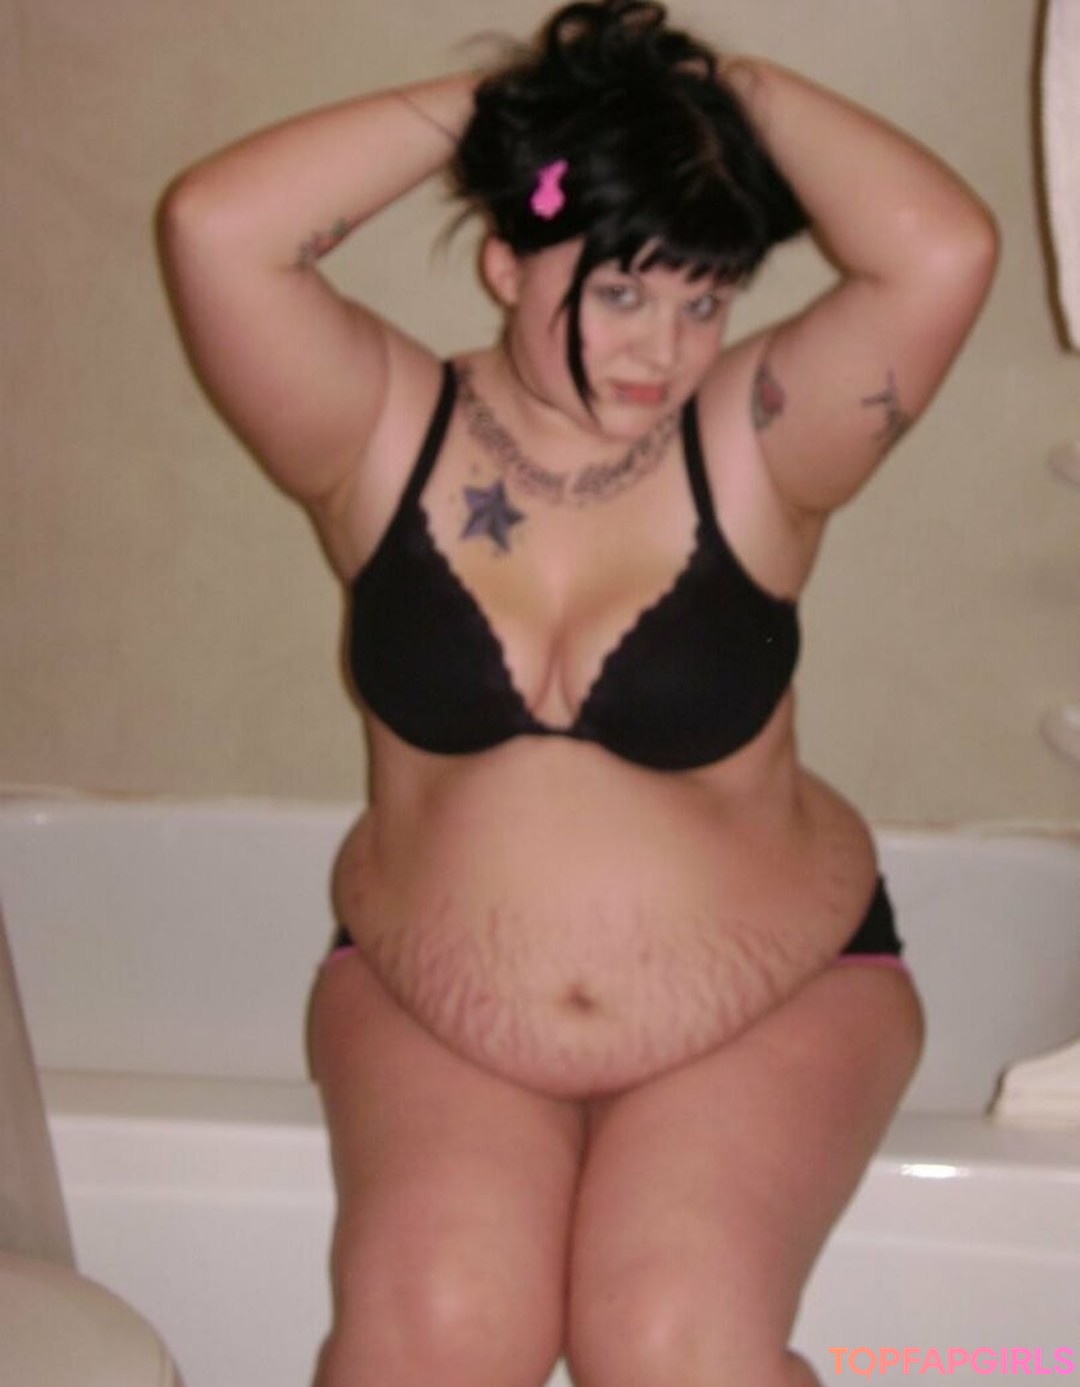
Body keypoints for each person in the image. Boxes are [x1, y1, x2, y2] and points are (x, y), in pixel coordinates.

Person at [158, 3, 997, 1383]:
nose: (663, 350)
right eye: (619, 292)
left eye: (703, 301)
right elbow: (215, 229)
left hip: (773, 1003)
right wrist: (525, 108)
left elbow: (943, 250)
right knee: (435, 1335)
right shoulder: (377, 427)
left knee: (669, 1344)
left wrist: (716, 87)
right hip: (435, 1008)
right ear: (508, 260)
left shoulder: (760, 441)